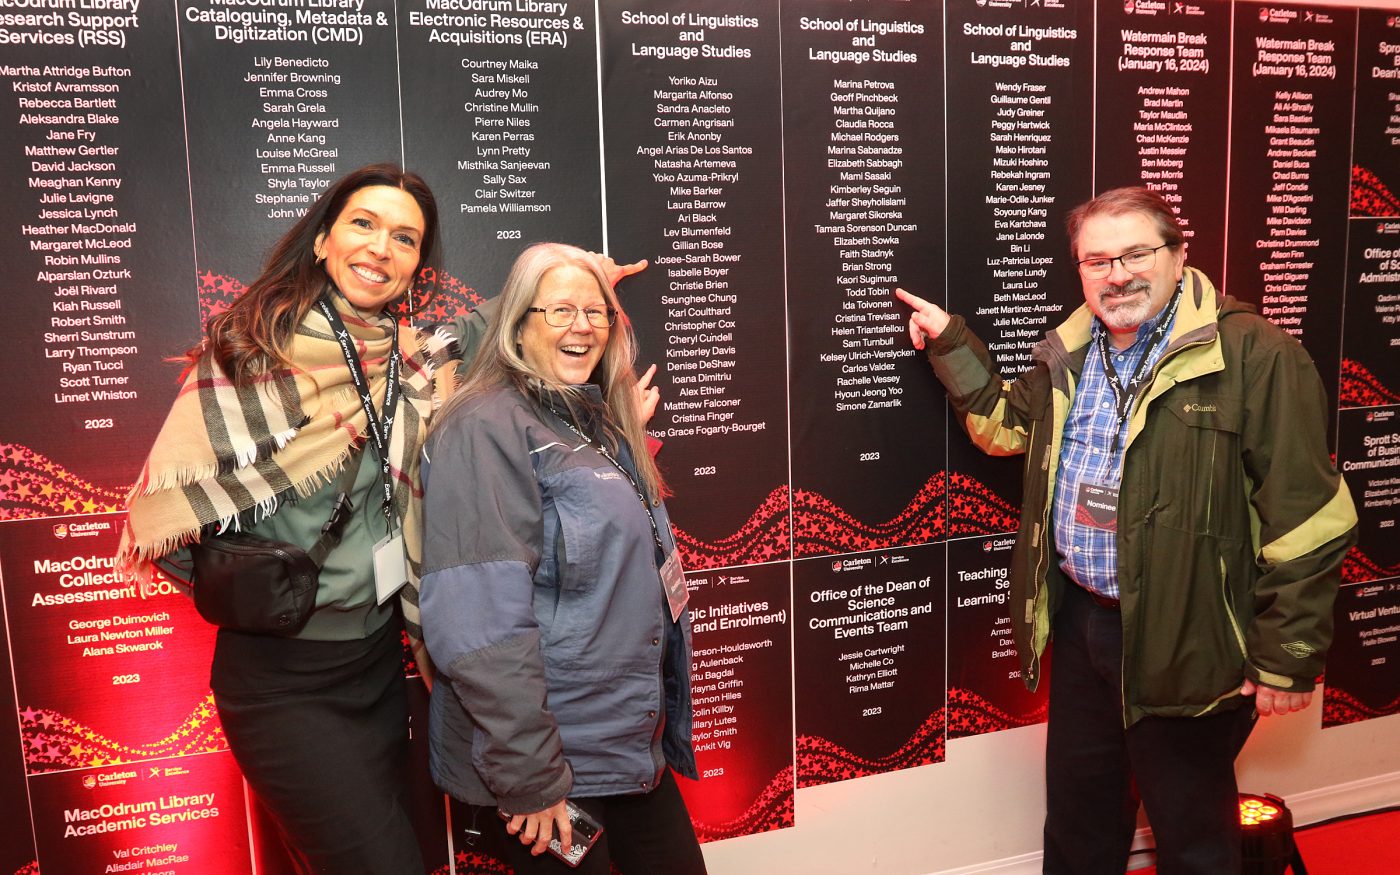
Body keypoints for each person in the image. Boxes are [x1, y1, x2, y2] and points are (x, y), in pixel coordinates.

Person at [896, 186, 1356, 874]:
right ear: (1079, 270)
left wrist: (1287, 655)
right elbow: (1001, 426)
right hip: (1086, 629)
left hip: (1191, 635)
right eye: (1097, 259)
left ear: (1178, 255)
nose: (1117, 274)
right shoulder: (1073, 350)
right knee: (1080, 818)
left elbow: (1310, 518)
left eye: (1137, 253)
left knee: (1193, 834)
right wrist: (951, 342)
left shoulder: (1256, 355)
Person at [118, 163, 458, 873]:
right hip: (279, 681)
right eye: (363, 224)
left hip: (374, 665)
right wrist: (253, 583)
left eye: (404, 237)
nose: (380, 248)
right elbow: (170, 503)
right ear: (325, 238)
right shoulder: (254, 349)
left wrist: (581, 280)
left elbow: (504, 333)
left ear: (416, 265)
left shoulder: (409, 360)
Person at [415, 242, 707, 874]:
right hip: (553, 771)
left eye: (596, 311)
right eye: (560, 311)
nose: (582, 326)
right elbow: (478, 624)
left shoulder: (596, 421)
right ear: (518, 324)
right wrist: (533, 775)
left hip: (626, 751)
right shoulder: (484, 426)